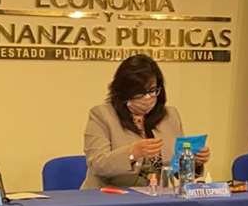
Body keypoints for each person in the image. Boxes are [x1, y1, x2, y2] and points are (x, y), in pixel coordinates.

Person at [82, 54, 210, 188]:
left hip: (157, 194)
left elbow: (175, 170)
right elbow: (97, 164)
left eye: (152, 90)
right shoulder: (102, 115)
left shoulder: (170, 116)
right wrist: (132, 153)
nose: (147, 97)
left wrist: (194, 161)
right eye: (140, 92)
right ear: (123, 92)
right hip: (110, 194)